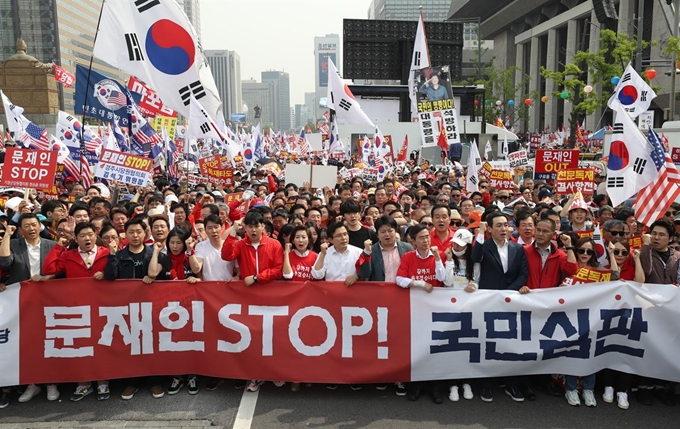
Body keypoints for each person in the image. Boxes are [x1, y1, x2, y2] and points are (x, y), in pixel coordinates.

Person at [104, 217, 171, 401]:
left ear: (145, 233)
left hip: (153, 309)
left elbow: (165, 281)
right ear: (125, 234)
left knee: (152, 345)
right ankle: (132, 382)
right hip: (127, 308)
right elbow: (110, 277)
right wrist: (111, 255)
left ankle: (154, 380)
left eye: (139, 232)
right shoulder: (119, 256)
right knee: (130, 345)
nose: (135, 235)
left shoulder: (156, 254)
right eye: (131, 232)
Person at [42, 221, 110, 402]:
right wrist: (58, 248)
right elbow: (49, 269)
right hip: (76, 308)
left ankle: (103, 382)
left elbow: (117, 273)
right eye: (82, 236)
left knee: (102, 345)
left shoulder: (107, 253)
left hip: (102, 308)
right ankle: (83, 383)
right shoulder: (68, 255)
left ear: (96, 236)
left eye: (90, 234)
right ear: (76, 239)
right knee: (81, 346)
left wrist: (106, 274)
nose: (87, 238)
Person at [222, 210, 284, 392]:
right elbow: (226, 255)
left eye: (257, 226)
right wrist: (233, 231)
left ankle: (275, 372)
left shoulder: (274, 244)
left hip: (271, 298)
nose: (254, 230)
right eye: (250, 226)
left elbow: (278, 270)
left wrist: (257, 278)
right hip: (248, 299)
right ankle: (256, 376)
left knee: (273, 337)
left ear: (263, 226)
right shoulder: (241, 245)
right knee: (253, 338)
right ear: (245, 228)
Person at [469, 212, 528, 403]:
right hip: (489, 303)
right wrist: (480, 233)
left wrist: (506, 293)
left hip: (510, 302)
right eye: (499, 226)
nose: (504, 229)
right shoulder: (483, 246)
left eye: (506, 225)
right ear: (490, 229)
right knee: (489, 343)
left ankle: (512, 383)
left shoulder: (517, 248)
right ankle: (486, 384)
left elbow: (522, 274)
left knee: (511, 343)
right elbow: (475, 257)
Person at [0, 215, 58, 406]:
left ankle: (51, 382)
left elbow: (60, 270)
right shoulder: (15, 244)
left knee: (49, 340)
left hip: (48, 301)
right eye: (26, 226)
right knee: (28, 342)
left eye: (34, 224)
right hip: (22, 303)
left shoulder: (51, 244)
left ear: (39, 225)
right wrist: (8, 236)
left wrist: (46, 279)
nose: (31, 228)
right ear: (20, 229)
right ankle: (33, 383)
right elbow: (5, 263)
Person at [562, 237, 617, 408]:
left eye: (589, 251)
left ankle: (588, 389)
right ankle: (571, 388)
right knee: (572, 352)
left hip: (592, 319)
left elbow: (615, 277)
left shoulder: (598, 270)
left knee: (591, 353)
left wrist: (612, 253)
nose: (585, 254)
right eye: (581, 250)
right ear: (576, 250)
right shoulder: (568, 266)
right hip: (570, 318)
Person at [395, 224, 447, 403]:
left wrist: (438, 257)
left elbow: (442, 278)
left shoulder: (439, 254)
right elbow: (400, 279)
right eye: (421, 238)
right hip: (415, 308)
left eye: (427, 236)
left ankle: (435, 387)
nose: (426, 240)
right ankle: (416, 386)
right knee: (417, 347)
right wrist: (420, 284)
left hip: (436, 308)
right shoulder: (408, 256)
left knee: (434, 348)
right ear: (413, 241)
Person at [161, 227, 200, 396]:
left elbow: (198, 272)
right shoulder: (163, 258)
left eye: (178, 243)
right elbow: (154, 275)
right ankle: (177, 376)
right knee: (173, 341)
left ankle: (192, 375)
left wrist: (196, 279)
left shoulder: (189, 256)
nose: (175, 246)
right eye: (172, 242)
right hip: (168, 308)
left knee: (190, 341)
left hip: (190, 306)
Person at [442, 228, 478, 403]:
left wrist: (474, 286)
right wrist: (449, 260)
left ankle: (466, 382)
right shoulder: (448, 259)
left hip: (468, 310)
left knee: (466, 347)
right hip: (449, 310)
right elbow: (447, 281)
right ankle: (452, 384)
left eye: (460, 244)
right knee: (451, 347)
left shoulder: (474, 262)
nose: (456, 246)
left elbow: (477, 281)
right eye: (455, 243)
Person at [358, 216, 412, 282]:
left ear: (395, 231)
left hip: (402, 290)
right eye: (383, 232)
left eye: (390, 231)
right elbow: (364, 274)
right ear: (377, 234)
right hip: (380, 290)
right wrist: (367, 253)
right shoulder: (370, 250)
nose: (387, 234)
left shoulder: (407, 248)